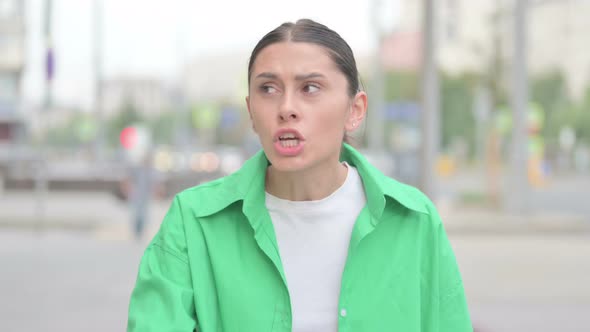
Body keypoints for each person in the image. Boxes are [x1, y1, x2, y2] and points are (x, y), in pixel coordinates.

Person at [128, 18, 472, 331]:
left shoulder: (414, 220)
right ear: (251, 111)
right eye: (268, 89)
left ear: (355, 110)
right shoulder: (193, 222)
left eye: (310, 88)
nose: (286, 108)